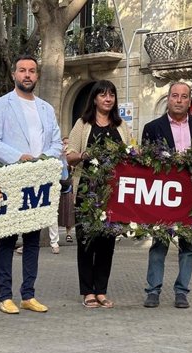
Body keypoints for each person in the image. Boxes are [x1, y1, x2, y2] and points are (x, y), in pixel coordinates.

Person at [0, 54, 62, 314]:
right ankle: (5, 295)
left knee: (32, 240)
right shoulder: (1, 104)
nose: (27, 75)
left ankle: (28, 294)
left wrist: (42, 160)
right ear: (14, 75)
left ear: (37, 76)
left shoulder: (46, 109)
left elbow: (56, 144)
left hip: (37, 182)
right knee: (7, 240)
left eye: (31, 71)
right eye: (22, 70)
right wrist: (20, 158)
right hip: (10, 180)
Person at [141, 81, 192, 309]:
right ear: (168, 99)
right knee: (159, 244)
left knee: (188, 246)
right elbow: (145, 165)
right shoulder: (152, 127)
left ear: (189, 100)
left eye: (183, 96)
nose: (179, 100)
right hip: (163, 196)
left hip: (191, 197)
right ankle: (153, 290)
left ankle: (182, 291)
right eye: (174, 96)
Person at [67, 80, 132, 308]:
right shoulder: (83, 124)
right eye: (103, 95)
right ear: (94, 98)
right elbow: (70, 155)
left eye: (111, 95)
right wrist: (84, 155)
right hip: (87, 190)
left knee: (107, 242)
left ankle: (101, 290)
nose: (108, 99)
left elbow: (129, 153)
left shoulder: (121, 125)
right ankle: (87, 291)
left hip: (112, 192)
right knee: (86, 241)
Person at [59, 137, 75, 244]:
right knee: (57, 212)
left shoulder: (72, 158)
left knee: (68, 212)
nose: (65, 146)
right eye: (64, 143)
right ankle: (54, 238)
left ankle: (68, 234)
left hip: (68, 187)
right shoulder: (58, 157)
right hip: (58, 187)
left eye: (68, 144)